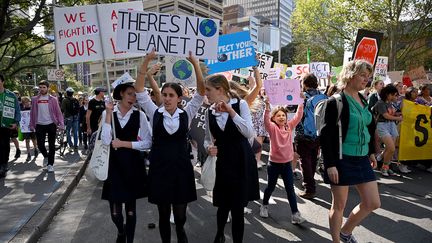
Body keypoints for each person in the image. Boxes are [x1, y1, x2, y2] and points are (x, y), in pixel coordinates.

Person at [135, 50, 205, 243]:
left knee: (180, 217)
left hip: (181, 169)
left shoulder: (187, 113)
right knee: (163, 216)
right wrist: (146, 61)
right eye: (164, 95)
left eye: (171, 95)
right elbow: (139, 90)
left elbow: (201, 92)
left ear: (179, 98)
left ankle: (181, 233)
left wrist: (195, 64)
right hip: (160, 170)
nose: (166, 98)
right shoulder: (154, 111)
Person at [321, 60, 380, 243]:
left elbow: (368, 128)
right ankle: (336, 241)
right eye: (363, 75)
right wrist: (330, 164)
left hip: (361, 158)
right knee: (339, 205)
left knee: (372, 203)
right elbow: (326, 136)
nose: (366, 80)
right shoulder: (335, 102)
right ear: (350, 75)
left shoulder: (363, 98)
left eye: (368, 77)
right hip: (341, 159)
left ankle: (345, 232)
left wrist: (370, 152)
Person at [204, 74, 260, 243]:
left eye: (208, 90)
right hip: (223, 162)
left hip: (241, 161)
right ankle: (219, 233)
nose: (205, 93)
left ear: (220, 89)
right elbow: (207, 137)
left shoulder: (240, 104)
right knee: (222, 205)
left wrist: (231, 111)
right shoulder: (209, 111)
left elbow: (249, 132)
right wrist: (208, 147)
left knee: (237, 209)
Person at [100, 78, 152, 243]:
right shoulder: (108, 112)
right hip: (114, 167)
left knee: (131, 211)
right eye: (130, 94)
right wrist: (108, 114)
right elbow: (106, 140)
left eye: (135, 95)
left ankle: (129, 240)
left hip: (132, 166)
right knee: (115, 214)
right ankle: (121, 231)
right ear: (121, 93)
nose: (133, 98)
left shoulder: (140, 115)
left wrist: (125, 143)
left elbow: (148, 142)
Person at [259, 95, 306, 225]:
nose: (281, 117)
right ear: (273, 118)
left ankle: (295, 214)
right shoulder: (272, 128)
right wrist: (267, 107)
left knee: (290, 189)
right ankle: (264, 205)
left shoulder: (289, 127)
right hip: (273, 164)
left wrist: (300, 102)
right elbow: (266, 121)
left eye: (283, 115)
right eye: (278, 115)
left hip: (287, 164)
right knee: (270, 187)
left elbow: (298, 116)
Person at [295, 73, 324, 199]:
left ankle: (309, 188)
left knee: (304, 160)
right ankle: (310, 181)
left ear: (304, 84)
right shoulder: (323, 96)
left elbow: (290, 109)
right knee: (312, 158)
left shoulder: (302, 97)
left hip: (303, 133)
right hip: (319, 132)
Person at [30, 80, 64, 173]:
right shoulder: (34, 99)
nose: (42, 89)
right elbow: (32, 113)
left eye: (44, 87)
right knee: (40, 145)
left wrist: (61, 123)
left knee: (51, 145)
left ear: (48, 88)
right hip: (39, 125)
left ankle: (50, 164)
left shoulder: (53, 99)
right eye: (40, 87)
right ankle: (46, 156)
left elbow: (58, 112)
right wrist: (31, 124)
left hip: (51, 124)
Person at [373, 84, 403, 176]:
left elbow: (391, 114)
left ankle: (384, 163)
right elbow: (386, 115)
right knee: (391, 148)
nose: (396, 97)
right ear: (388, 94)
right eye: (394, 94)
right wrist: (398, 118)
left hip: (391, 125)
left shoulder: (389, 103)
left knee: (390, 149)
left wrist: (398, 114)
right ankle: (384, 167)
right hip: (382, 126)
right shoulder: (380, 103)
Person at [0, 74, 21, 177]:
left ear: (2, 82)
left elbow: (17, 110)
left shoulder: (11, 95)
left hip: (6, 125)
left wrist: (16, 122)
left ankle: (4, 164)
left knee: (4, 145)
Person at [20, 96, 38, 161]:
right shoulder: (21, 110)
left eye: (28, 102)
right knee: (27, 141)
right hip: (25, 129)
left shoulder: (33, 109)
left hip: (32, 127)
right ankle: (28, 154)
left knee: (34, 140)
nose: (27, 103)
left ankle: (36, 148)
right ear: (23, 103)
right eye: (25, 102)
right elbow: (20, 119)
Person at [61, 87, 80, 151]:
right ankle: (76, 146)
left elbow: (62, 109)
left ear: (67, 93)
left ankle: (70, 145)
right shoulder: (75, 100)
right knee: (75, 132)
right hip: (75, 117)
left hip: (68, 118)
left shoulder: (64, 100)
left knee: (68, 131)